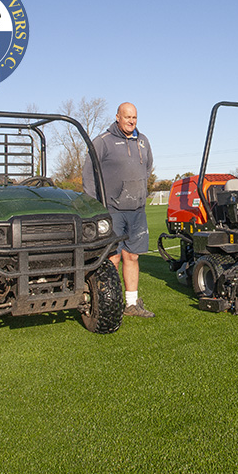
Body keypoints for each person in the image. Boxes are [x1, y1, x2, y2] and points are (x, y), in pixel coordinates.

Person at [83, 102, 154, 317]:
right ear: (117, 117)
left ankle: (131, 304)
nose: (131, 121)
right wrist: (97, 207)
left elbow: (148, 168)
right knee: (112, 257)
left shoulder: (143, 141)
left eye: (134, 117)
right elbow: (89, 175)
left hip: (137, 210)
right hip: (112, 210)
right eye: (127, 117)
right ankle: (109, 304)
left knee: (132, 256)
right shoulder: (103, 142)